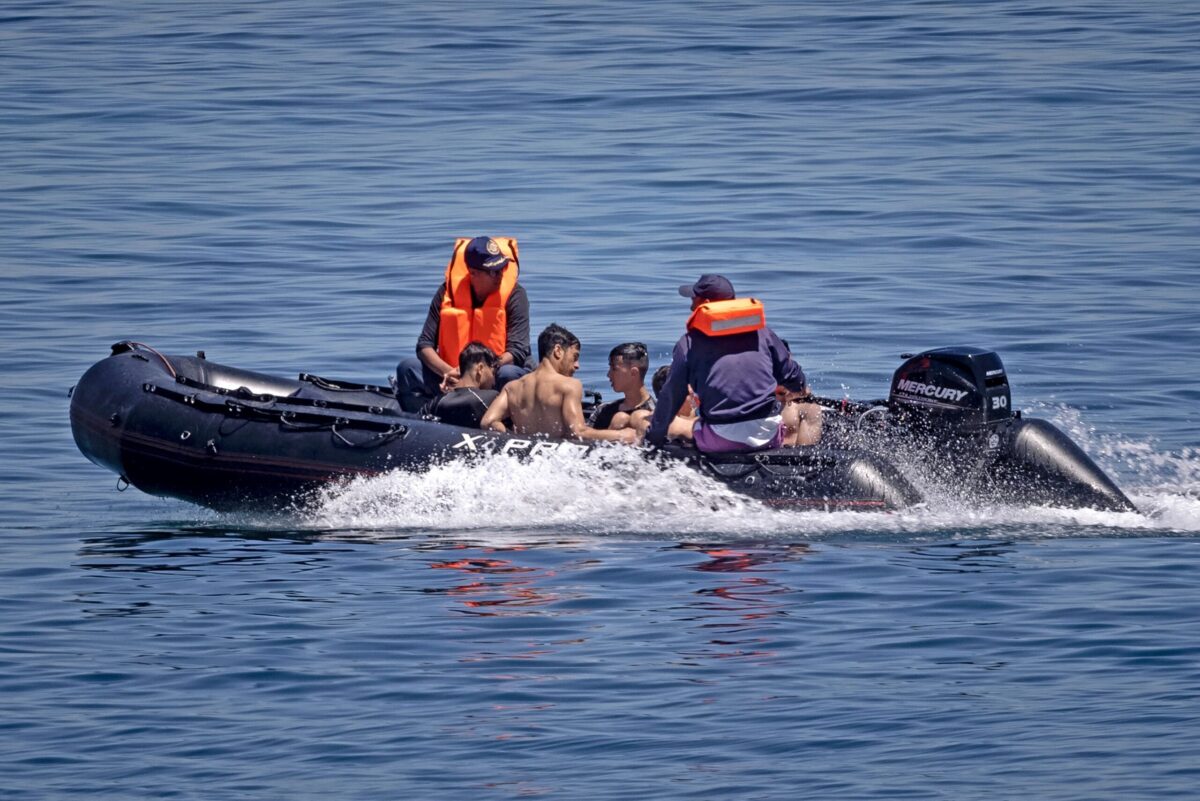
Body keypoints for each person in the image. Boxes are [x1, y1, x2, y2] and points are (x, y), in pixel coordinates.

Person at [646, 274, 822, 452]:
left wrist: (653, 441)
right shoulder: (764, 333)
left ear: (705, 302)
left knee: (677, 428)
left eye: (693, 299)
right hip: (767, 434)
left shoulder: (688, 343)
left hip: (720, 437)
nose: (691, 306)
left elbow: (672, 395)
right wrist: (798, 389)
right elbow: (793, 376)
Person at [394, 236, 531, 412]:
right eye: (492, 271)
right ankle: (425, 422)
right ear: (472, 272)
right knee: (408, 368)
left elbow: (517, 351)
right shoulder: (446, 293)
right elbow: (424, 345)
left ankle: (504, 422)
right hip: (452, 376)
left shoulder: (516, 295)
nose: (499, 275)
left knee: (509, 374)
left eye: (501, 268)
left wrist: (474, 374)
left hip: (493, 375)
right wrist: (449, 372)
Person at [480, 324, 637, 444]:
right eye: (574, 357)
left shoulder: (512, 387)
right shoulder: (569, 385)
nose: (577, 365)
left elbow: (488, 422)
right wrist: (622, 435)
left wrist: (514, 438)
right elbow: (578, 432)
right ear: (558, 351)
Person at [421, 342, 500, 429]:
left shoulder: (436, 402)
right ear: (480, 368)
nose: (494, 381)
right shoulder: (491, 398)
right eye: (493, 373)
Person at [589, 342, 655, 434]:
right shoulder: (603, 410)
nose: (608, 375)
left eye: (614, 369)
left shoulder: (654, 414)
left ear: (633, 373)